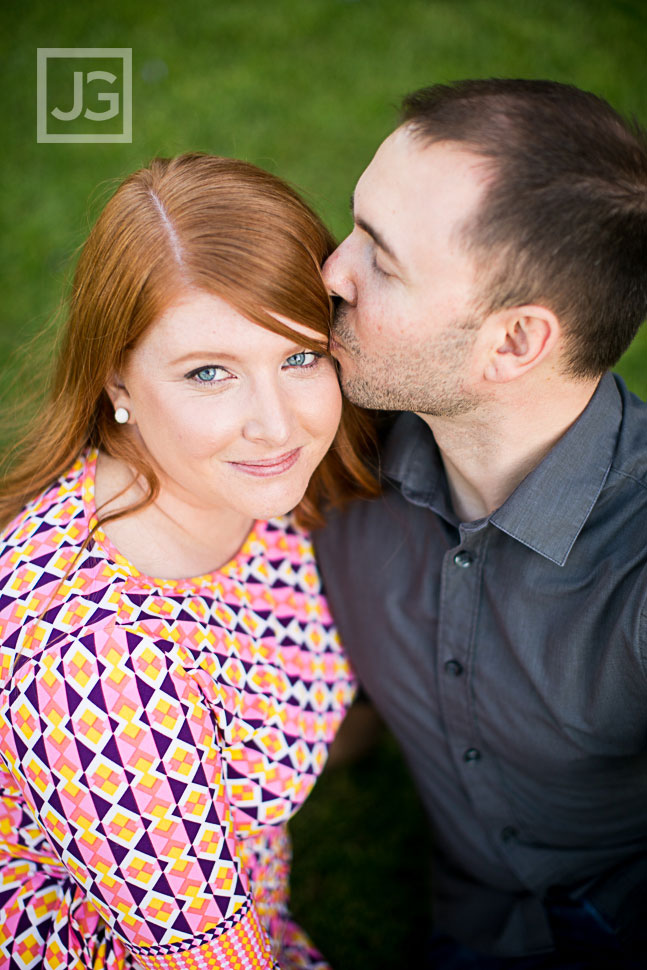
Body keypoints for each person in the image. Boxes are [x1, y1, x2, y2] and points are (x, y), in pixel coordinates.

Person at [0, 153, 378, 970]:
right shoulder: (101, 670)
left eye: (300, 356)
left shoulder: (243, 490)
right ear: (116, 380)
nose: (276, 426)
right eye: (209, 373)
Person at [313, 79, 647, 968]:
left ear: (511, 343)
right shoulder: (317, 443)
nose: (330, 273)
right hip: (467, 919)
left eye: (380, 259)